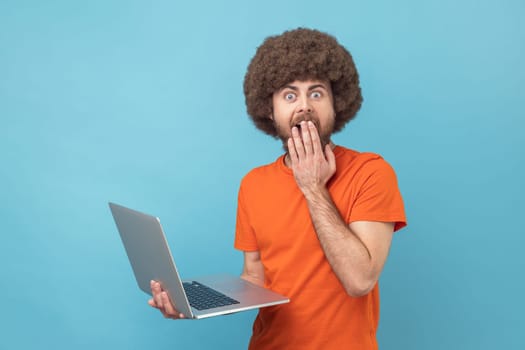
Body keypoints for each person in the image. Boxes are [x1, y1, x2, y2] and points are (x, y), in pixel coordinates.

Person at [149, 28, 407, 349]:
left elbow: (360, 280)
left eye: (316, 93)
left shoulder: (370, 172)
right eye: (289, 95)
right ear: (269, 110)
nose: (304, 106)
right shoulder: (254, 184)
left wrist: (313, 187)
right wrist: (193, 305)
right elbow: (254, 278)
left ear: (336, 104)